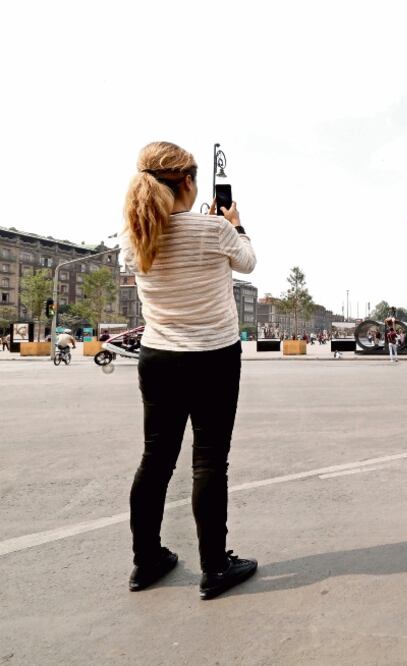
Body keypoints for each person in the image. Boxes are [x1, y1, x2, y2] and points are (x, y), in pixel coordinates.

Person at [122, 141, 257, 600]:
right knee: (209, 460)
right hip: (214, 355)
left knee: (155, 459)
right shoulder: (213, 229)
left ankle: (146, 561)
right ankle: (214, 568)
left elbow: (171, 238)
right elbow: (248, 260)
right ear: (188, 183)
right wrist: (233, 223)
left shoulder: (135, 234)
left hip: (159, 357)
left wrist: (202, 220)